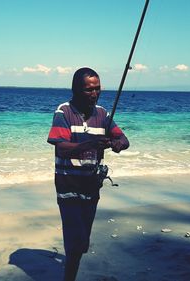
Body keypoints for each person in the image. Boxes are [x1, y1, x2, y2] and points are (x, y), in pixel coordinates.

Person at [47, 67, 129, 281]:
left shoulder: (102, 114)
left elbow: (124, 140)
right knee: (76, 239)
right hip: (68, 183)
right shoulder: (63, 111)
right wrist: (90, 144)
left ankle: (72, 261)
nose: (94, 94)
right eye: (88, 90)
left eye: (98, 89)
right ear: (75, 90)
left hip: (92, 184)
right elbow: (61, 148)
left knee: (83, 242)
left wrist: (115, 143)